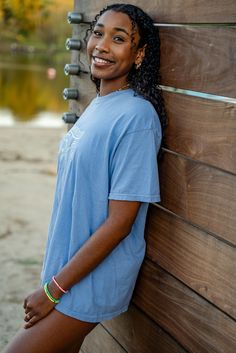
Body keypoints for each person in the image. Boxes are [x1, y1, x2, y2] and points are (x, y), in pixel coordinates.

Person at [3, 3, 166, 353]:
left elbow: (121, 222)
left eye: (118, 38)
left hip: (89, 281)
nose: (102, 45)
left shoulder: (137, 117)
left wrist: (53, 290)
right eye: (98, 33)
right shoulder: (100, 103)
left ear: (139, 54)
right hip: (67, 270)